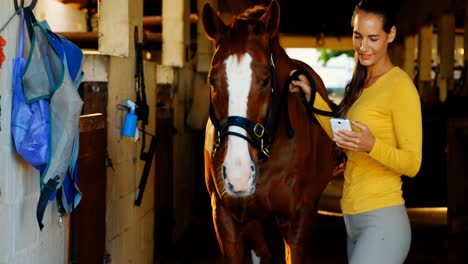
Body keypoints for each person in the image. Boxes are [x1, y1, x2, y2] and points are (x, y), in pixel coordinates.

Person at [289, 0, 422, 263]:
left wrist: (372, 145)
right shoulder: (361, 84)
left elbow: (413, 163)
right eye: (357, 36)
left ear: (390, 35)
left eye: (373, 38)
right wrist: (312, 97)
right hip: (353, 220)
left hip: (383, 221)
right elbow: (342, 134)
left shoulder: (400, 86)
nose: (363, 46)